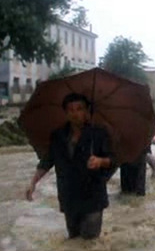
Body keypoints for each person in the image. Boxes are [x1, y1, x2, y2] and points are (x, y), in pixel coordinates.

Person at [25, 93, 115, 239]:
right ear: (66, 113)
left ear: (86, 112)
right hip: (69, 197)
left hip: (92, 196)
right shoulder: (58, 135)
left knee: (89, 244)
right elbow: (47, 161)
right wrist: (33, 183)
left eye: (79, 109)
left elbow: (113, 159)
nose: (75, 114)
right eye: (70, 110)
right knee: (73, 240)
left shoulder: (98, 134)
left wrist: (100, 161)